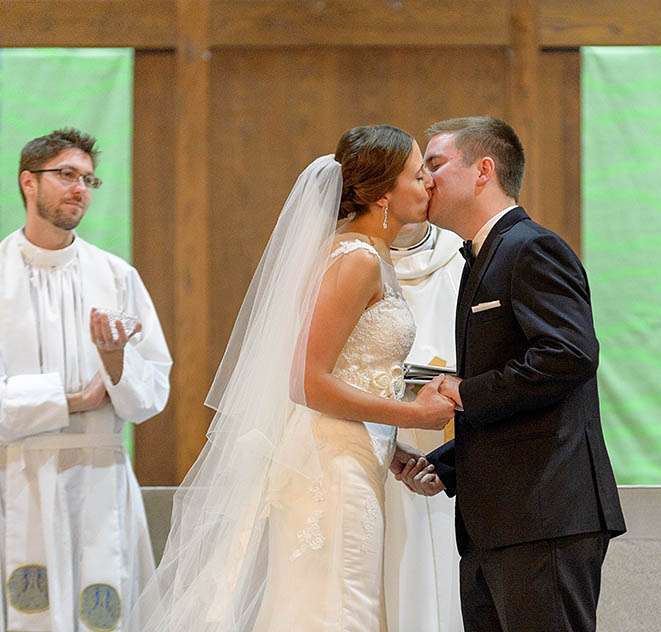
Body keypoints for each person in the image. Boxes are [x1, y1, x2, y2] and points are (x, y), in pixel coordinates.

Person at [130, 124, 456, 631]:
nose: (429, 185)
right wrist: (412, 413)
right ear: (382, 193)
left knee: (337, 604)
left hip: (351, 454)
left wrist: (392, 451)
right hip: (330, 468)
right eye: (419, 176)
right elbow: (307, 381)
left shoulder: (369, 256)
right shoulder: (357, 261)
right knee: (340, 610)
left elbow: (354, 373)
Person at [400, 116, 627, 632]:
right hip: (498, 522)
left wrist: (461, 392)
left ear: (484, 170)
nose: (426, 180)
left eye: (435, 164)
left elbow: (569, 356)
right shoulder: (481, 257)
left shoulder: (531, 247)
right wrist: (448, 464)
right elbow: (519, 402)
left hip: (543, 516)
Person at [0, 128, 172, 631]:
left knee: (103, 607)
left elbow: (152, 390)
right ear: (28, 183)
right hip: (19, 479)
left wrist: (116, 363)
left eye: (88, 179)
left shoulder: (117, 277)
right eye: (67, 176)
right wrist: (74, 399)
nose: (81, 189)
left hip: (100, 479)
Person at [385, 221, 465, 631]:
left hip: (447, 443)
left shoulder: (459, 256)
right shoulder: (352, 257)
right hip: (373, 444)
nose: (425, 186)